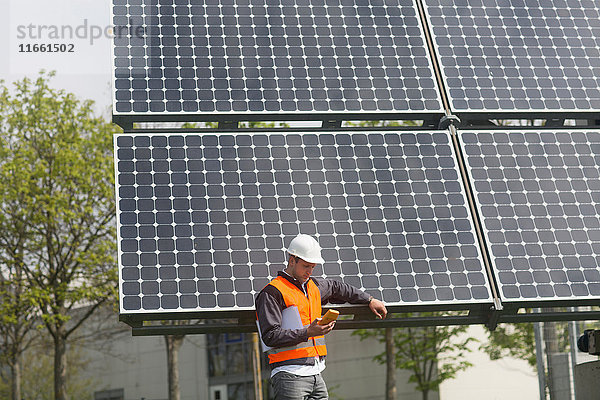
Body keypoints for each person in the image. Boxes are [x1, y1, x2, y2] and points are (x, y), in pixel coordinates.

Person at [255, 234, 388, 400]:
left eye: (312, 267)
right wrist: (308, 332)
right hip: (288, 375)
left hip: (316, 373)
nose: (309, 271)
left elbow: (338, 287)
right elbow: (270, 336)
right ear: (292, 260)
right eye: (305, 266)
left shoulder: (314, 286)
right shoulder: (272, 292)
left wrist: (369, 299)